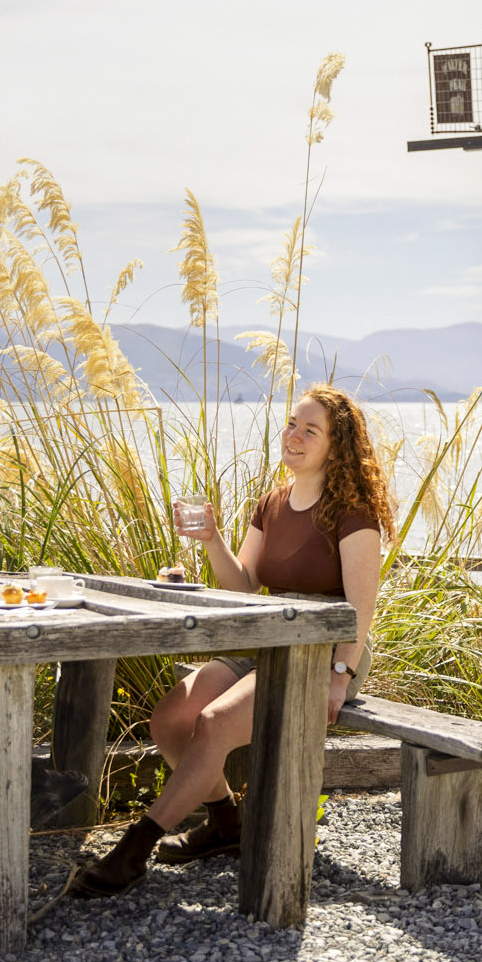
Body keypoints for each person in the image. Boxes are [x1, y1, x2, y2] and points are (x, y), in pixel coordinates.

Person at [73, 383, 393, 897]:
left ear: (337, 447)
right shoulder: (271, 504)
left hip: (322, 655)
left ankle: (135, 849)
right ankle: (227, 825)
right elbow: (244, 585)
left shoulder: (353, 514)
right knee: (170, 719)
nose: (294, 436)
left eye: (311, 430)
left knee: (215, 723)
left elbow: (360, 610)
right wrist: (212, 540)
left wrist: (340, 675)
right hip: (265, 640)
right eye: (292, 424)